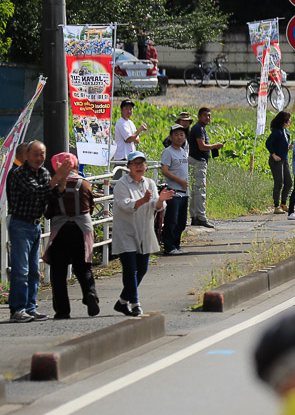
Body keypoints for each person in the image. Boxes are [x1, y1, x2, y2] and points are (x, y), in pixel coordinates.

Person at [7, 141, 64, 321]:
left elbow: (53, 195)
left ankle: (30, 308)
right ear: (27, 155)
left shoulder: (45, 172)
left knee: (33, 270)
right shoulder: (19, 173)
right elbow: (36, 192)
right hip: (20, 225)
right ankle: (17, 309)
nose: (39, 158)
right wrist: (57, 179)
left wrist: (62, 181)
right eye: (35, 154)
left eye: (42, 154)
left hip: (34, 225)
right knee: (21, 270)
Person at [112, 151, 174, 317]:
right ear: (129, 167)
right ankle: (135, 303)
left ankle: (122, 302)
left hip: (145, 230)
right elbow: (125, 205)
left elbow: (157, 205)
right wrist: (142, 201)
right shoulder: (122, 185)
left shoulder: (150, 183)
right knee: (130, 268)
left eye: (142, 163)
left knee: (142, 268)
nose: (139, 167)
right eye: (135, 164)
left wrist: (161, 200)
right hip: (126, 231)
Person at [44, 152, 99, 318]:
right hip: (82, 230)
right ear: (75, 165)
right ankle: (90, 294)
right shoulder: (84, 184)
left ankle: (62, 310)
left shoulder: (54, 185)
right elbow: (90, 206)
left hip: (60, 230)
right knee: (84, 267)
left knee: (58, 272)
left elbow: (48, 212)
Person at [187, 107, 224, 228]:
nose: (208, 118)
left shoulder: (200, 128)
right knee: (200, 190)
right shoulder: (198, 128)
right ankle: (201, 217)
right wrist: (215, 146)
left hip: (197, 161)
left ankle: (195, 216)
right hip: (198, 162)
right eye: (205, 116)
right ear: (199, 117)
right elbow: (202, 147)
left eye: (209, 115)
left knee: (195, 190)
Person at [159, 124, 191, 255]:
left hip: (184, 192)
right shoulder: (168, 152)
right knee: (172, 220)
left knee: (181, 222)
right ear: (171, 137)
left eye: (181, 135)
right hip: (174, 191)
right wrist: (180, 181)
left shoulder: (183, 151)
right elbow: (165, 170)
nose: (179, 137)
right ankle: (169, 246)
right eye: (176, 135)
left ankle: (177, 244)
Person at [266, 111, 293, 214]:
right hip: (276, 160)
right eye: (288, 119)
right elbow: (268, 143)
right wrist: (273, 154)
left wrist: (288, 147)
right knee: (279, 182)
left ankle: (283, 203)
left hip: (284, 159)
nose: (290, 121)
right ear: (284, 121)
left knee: (289, 182)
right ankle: (276, 205)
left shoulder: (285, 131)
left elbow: (283, 144)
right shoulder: (277, 132)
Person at [111, 99, 147, 164]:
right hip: (122, 158)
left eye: (130, 109)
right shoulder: (121, 122)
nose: (129, 111)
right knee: (120, 174)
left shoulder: (131, 123)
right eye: (126, 109)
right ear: (121, 110)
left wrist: (133, 137)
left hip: (131, 158)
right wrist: (139, 130)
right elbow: (128, 139)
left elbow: (137, 140)